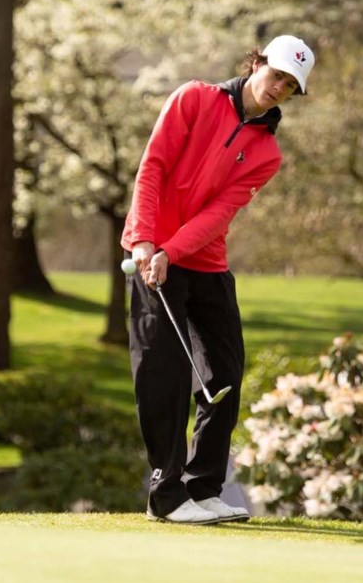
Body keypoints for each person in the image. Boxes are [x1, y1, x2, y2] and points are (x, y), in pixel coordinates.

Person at [122, 34, 316, 524]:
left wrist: (174, 249)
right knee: (162, 372)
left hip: (202, 261)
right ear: (257, 63)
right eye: (276, 75)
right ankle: (165, 495)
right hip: (150, 256)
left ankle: (203, 488)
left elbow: (218, 213)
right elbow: (153, 169)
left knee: (224, 374)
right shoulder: (194, 98)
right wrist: (146, 240)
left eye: (290, 86)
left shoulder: (267, 153)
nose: (278, 88)